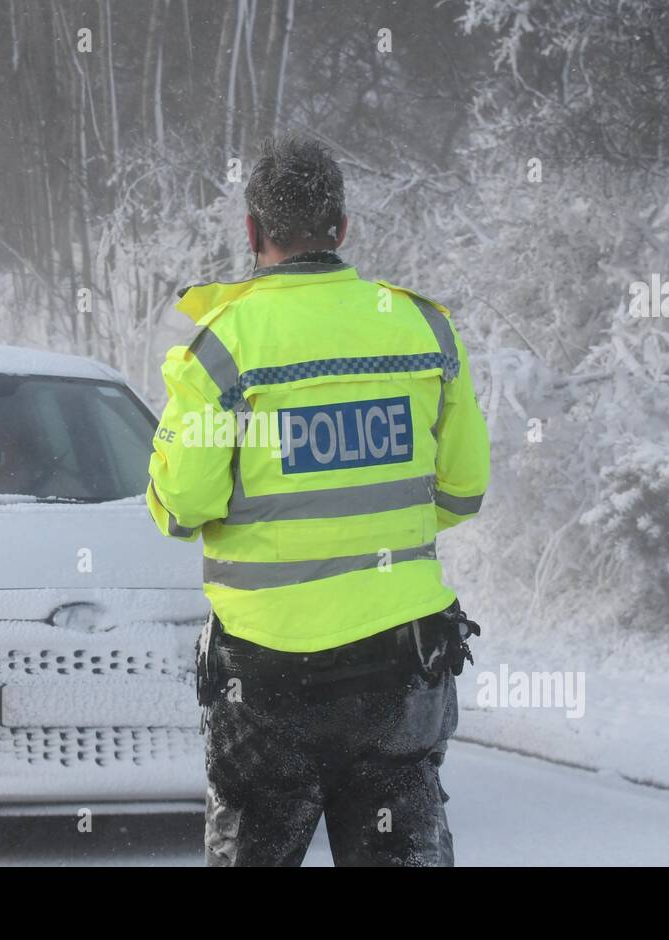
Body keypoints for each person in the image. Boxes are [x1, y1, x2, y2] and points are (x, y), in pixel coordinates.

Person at [146, 134, 490, 866]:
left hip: (266, 685)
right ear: (341, 228)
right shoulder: (424, 330)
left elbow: (183, 506)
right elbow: (462, 494)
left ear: (251, 231)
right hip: (400, 672)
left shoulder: (222, 350)